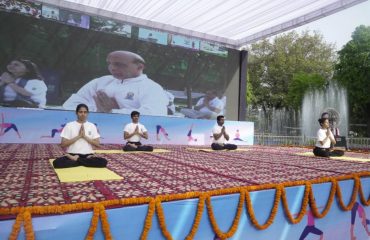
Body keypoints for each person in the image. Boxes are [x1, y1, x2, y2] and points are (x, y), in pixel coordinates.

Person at [63, 51, 169, 116]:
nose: (112, 68)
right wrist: (99, 110)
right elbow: (69, 106)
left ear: (139, 67)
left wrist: (114, 112)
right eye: (110, 63)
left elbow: (155, 115)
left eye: (119, 64)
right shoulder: (100, 82)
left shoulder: (151, 87)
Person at [52, 104, 107, 168]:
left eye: (85, 112)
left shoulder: (92, 126)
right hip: (72, 154)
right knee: (56, 163)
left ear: (88, 113)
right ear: (76, 113)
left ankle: (77, 160)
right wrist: (78, 136)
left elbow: (97, 144)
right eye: (80, 112)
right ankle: (83, 161)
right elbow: (63, 144)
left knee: (103, 162)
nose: (83, 114)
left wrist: (84, 137)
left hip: (88, 155)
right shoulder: (69, 125)